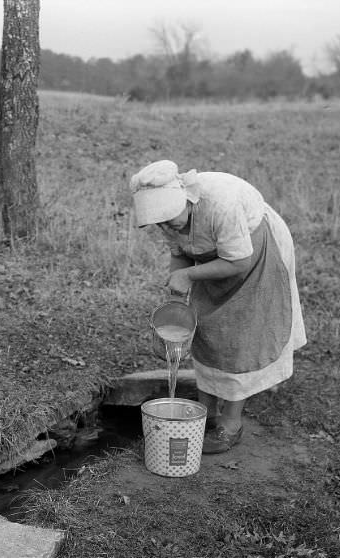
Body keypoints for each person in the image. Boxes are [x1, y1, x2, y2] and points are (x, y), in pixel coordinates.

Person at [130, 160, 307, 454]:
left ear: (186, 200)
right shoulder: (168, 215)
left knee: (241, 336)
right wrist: (177, 298)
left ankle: (230, 424)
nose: (164, 227)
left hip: (255, 255)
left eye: (168, 219)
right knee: (208, 329)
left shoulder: (222, 205)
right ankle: (204, 411)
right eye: (159, 222)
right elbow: (180, 253)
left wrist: (189, 275)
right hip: (217, 262)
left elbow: (239, 262)